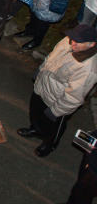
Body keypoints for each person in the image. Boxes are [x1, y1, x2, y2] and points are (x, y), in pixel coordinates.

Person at [17, 24, 97, 158]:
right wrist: (40, 70)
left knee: (52, 126)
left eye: (78, 42)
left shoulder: (88, 69)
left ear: (91, 44)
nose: (72, 43)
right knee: (36, 112)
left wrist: (56, 111)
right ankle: (36, 129)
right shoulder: (69, 40)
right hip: (42, 88)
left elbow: (73, 97)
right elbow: (52, 56)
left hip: (56, 101)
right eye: (72, 38)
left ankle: (49, 143)